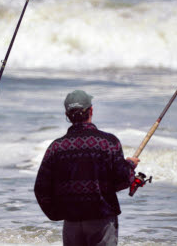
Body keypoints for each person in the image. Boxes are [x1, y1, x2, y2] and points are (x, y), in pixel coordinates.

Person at [34, 90, 140, 246]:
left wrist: (56, 214)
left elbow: (41, 188)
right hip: (102, 219)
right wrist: (130, 165)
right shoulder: (108, 142)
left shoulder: (56, 147)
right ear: (91, 110)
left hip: (71, 223)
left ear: (67, 114)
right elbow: (123, 180)